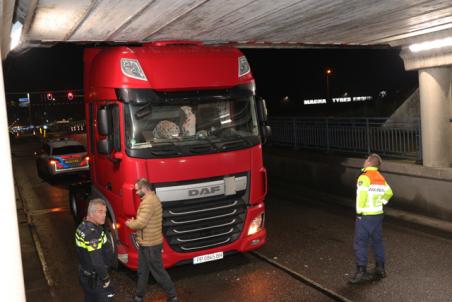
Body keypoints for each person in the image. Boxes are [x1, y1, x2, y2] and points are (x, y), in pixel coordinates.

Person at [126, 178, 179, 302]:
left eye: (137, 190)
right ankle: (139, 297)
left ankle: (173, 297)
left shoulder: (149, 202)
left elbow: (141, 223)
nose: (136, 192)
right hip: (146, 243)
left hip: (151, 245)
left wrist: (130, 223)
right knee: (142, 271)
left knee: (158, 272)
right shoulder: (149, 200)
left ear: (144, 188)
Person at [350, 153, 393, 284]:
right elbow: (389, 192)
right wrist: (382, 202)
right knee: (377, 241)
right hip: (378, 214)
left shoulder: (364, 177)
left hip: (366, 215)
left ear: (369, 163)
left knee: (360, 242)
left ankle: (361, 272)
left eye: (366, 160)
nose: (364, 161)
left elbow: (361, 196)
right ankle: (380, 269)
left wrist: (359, 212)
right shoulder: (380, 177)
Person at [75, 198, 115, 301]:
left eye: (105, 212)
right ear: (91, 213)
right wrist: (105, 278)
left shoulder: (83, 226)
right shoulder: (91, 233)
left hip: (87, 274)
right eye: (100, 212)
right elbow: (96, 261)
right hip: (97, 278)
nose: (104, 215)